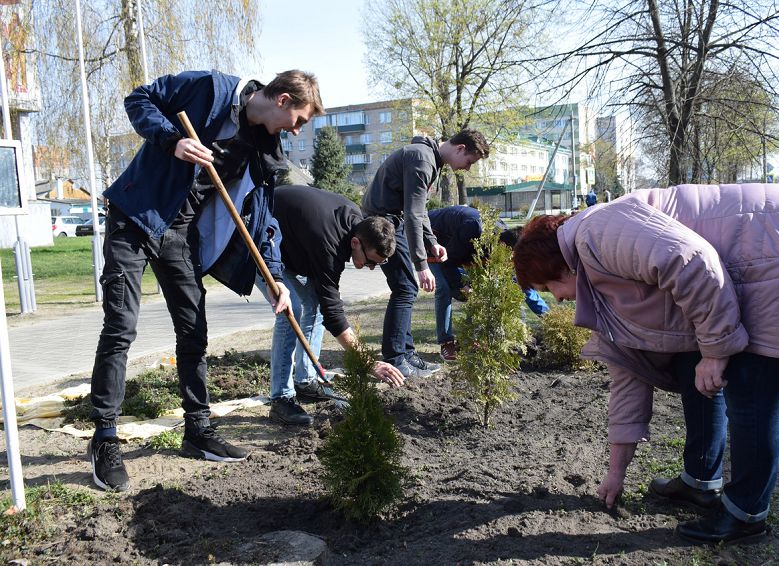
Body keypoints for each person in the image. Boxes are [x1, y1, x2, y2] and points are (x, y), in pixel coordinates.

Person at [512, 183, 779, 544]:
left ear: (559, 270)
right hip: (774, 256)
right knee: (695, 365)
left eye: (548, 289)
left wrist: (717, 352)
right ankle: (700, 482)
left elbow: (694, 262)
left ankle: (745, 514)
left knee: (751, 393)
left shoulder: (598, 233)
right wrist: (615, 474)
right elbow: (629, 378)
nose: (559, 300)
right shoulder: (600, 278)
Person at [88, 69, 323, 492]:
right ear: (283, 100)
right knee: (121, 328)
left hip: (179, 234)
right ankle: (104, 438)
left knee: (194, 330)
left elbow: (262, 216)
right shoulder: (212, 89)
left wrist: (274, 278)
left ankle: (197, 430)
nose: (297, 129)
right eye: (300, 120)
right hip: (135, 217)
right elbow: (138, 98)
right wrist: (171, 140)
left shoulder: (264, 148)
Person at [254, 185, 406, 425]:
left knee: (311, 302)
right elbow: (333, 313)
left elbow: (326, 301)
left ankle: (305, 381)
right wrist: (367, 361)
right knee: (289, 307)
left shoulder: (357, 225)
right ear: (356, 242)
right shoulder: (329, 244)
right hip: (257, 238)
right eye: (370, 261)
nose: (370, 268)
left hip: (291, 244)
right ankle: (281, 399)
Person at [361, 130, 490, 377]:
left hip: (392, 219)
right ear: (460, 148)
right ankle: (396, 357)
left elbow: (420, 212)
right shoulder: (423, 160)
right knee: (405, 288)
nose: (467, 168)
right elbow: (411, 214)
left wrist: (432, 242)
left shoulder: (429, 159)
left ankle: (407, 354)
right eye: (470, 162)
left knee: (406, 288)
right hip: (384, 222)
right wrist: (422, 264)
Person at [427, 205, 549, 361]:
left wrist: (548, 317)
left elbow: (519, 283)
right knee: (444, 288)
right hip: (431, 236)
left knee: (481, 288)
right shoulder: (473, 230)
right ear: (504, 248)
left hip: (457, 246)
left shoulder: (505, 242)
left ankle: (469, 339)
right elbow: (447, 262)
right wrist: (461, 285)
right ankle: (446, 343)